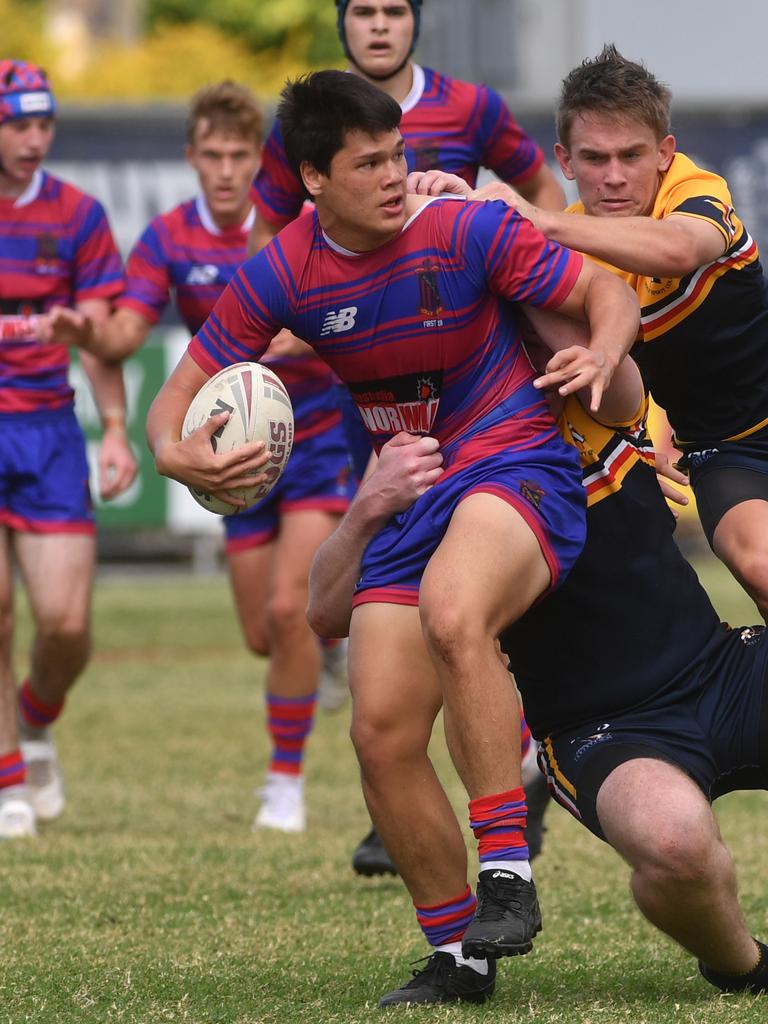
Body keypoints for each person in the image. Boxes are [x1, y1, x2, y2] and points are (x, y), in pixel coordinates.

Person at [145, 69, 640, 997]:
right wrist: (182, 461)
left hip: (513, 461)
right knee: (377, 730)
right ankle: (458, 957)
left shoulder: (465, 226)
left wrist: (602, 352)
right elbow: (173, 406)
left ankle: (508, 867)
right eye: (369, 162)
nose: (395, 177)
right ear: (312, 180)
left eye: (399, 154)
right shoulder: (283, 271)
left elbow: (609, 293)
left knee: (456, 612)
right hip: (407, 493)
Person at [307, 334, 768, 1004]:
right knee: (675, 844)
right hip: (604, 730)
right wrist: (366, 508)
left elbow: (600, 331)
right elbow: (325, 608)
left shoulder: (579, 384)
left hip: (721, 665)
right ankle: (742, 964)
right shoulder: (424, 466)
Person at [46, 81, 356, 835]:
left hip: (314, 439)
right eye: (211, 156)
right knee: (263, 632)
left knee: (289, 608)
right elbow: (125, 331)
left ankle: (283, 785)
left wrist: (301, 334)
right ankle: (326, 651)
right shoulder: (168, 240)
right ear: (191, 158)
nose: (225, 171)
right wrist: (87, 333)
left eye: (240, 156)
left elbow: (359, 311)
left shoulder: (304, 228)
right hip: (228, 448)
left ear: (263, 160)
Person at [465, 44, 768, 623]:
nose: (614, 177)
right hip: (727, 449)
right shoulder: (564, 242)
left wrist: (540, 219)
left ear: (664, 153)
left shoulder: (694, 190)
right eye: (594, 158)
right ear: (566, 161)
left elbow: (679, 250)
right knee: (760, 569)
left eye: (632, 155)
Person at [0, 60, 136, 839]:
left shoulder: (76, 215)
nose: (33, 138)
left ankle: (35, 715)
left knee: (65, 624)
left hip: (49, 434)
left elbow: (101, 332)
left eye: (43, 123)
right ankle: (9, 778)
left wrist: (113, 428)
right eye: (18, 124)